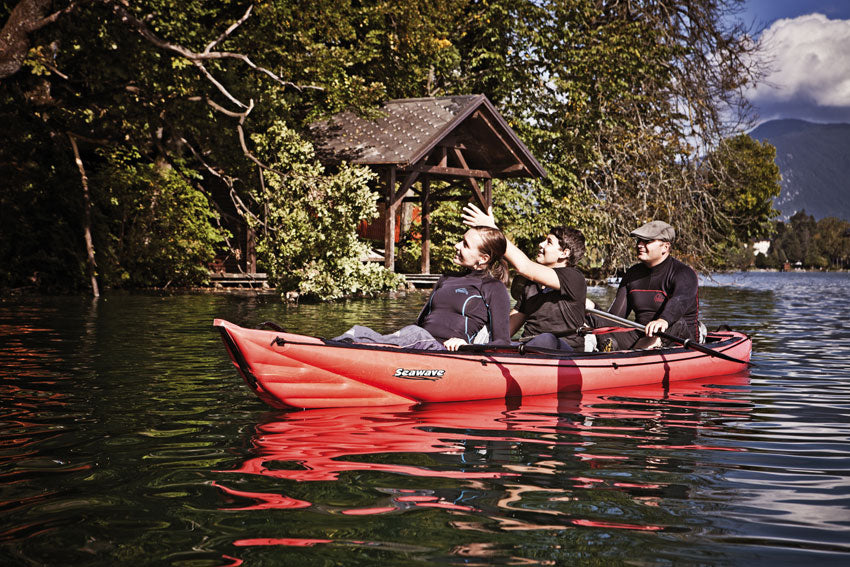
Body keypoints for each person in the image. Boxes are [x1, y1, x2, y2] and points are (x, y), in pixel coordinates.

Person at [333, 226, 511, 351]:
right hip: (419, 344)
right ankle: (328, 350)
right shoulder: (446, 278)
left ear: (483, 258)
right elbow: (419, 323)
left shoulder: (494, 288)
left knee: (415, 334)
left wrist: (468, 346)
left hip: (447, 352)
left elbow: (502, 342)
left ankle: (333, 350)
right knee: (360, 331)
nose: (457, 245)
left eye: (465, 244)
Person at [462, 203, 588, 352]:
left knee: (546, 339)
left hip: (563, 352)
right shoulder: (531, 285)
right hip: (529, 349)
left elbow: (525, 267)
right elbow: (510, 325)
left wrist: (494, 231)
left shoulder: (574, 278)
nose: (540, 245)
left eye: (548, 242)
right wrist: (483, 343)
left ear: (564, 253)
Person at [595, 220, 699, 350]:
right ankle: (608, 348)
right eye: (639, 240)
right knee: (595, 316)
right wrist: (591, 311)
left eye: (647, 241)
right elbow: (615, 318)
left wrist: (663, 320)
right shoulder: (632, 274)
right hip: (641, 334)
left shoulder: (684, 273)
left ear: (665, 247)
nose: (639, 245)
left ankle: (632, 355)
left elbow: (679, 301)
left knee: (675, 323)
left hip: (677, 337)